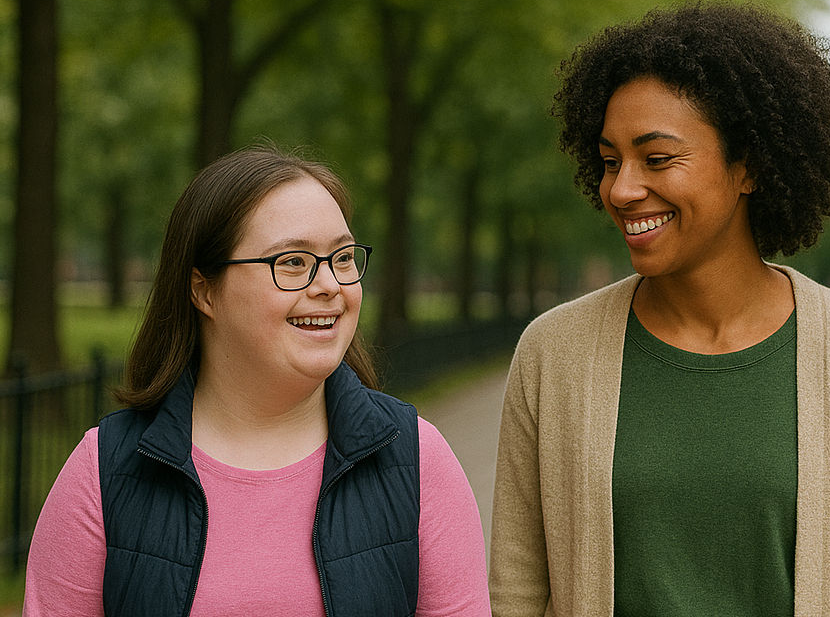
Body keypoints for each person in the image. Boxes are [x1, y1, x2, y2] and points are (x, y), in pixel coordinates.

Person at [489, 0, 830, 616]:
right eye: (611, 161)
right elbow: (515, 593)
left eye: (659, 158)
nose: (621, 189)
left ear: (747, 167)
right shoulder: (553, 352)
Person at [24, 145, 491, 616]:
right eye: (292, 262)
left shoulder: (417, 461)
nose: (329, 284)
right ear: (204, 290)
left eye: (343, 257)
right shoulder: (104, 470)